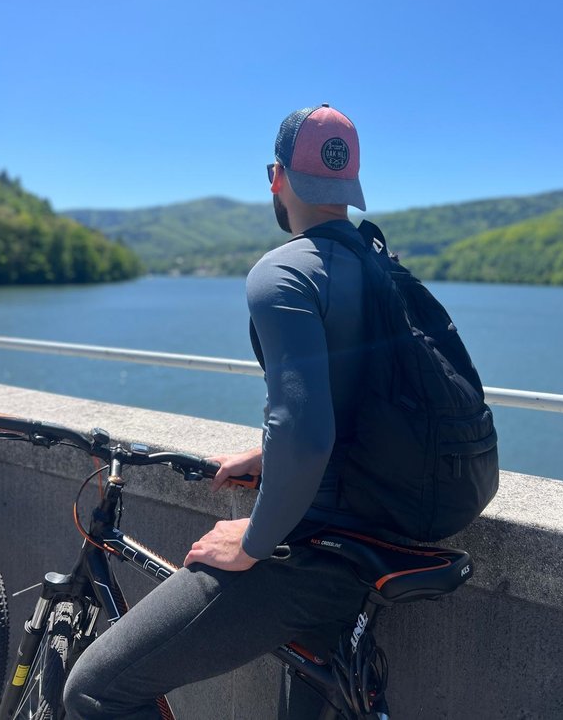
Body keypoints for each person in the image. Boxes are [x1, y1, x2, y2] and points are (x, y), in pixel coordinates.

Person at [64, 104, 373, 719]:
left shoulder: (283, 273)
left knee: (93, 691)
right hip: (380, 532)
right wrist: (267, 453)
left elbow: (306, 433)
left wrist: (253, 542)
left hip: (317, 550)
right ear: (351, 185)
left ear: (277, 178)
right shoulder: (380, 268)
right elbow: (360, 402)